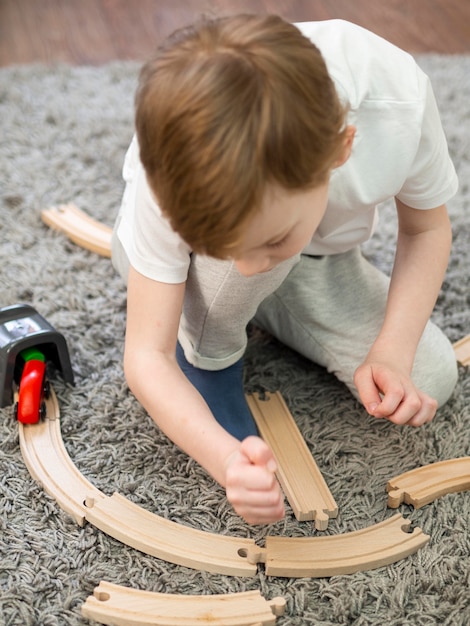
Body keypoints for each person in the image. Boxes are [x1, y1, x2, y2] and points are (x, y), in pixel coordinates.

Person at [111, 14, 459, 525]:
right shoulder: (169, 165)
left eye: (270, 239)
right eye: (231, 245)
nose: (248, 264)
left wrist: (393, 351)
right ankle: (209, 356)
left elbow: (427, 230)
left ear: (341, 149)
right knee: (246, 269)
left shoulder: (398, 98)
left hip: (319, 255)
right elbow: (145, 355)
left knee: (431, 374)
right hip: (188, 273)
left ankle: (265, 290)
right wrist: (224, 457)